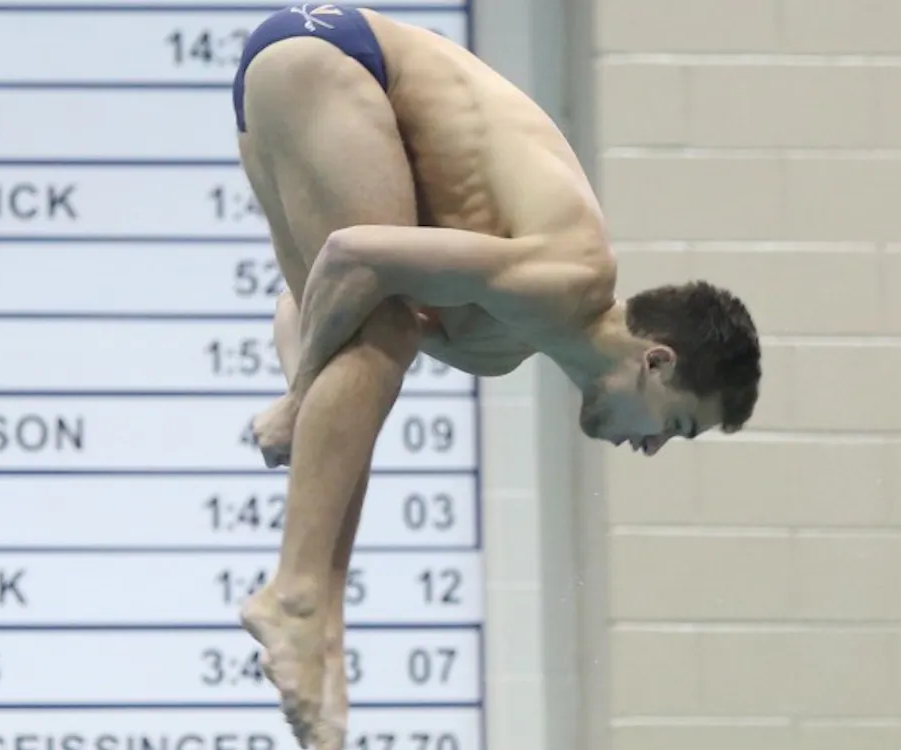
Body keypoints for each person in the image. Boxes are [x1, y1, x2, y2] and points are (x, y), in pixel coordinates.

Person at [231, 3, 762, 747]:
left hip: (284, 79)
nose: (651, 449)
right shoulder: (570, 272)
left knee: (372, 337)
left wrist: (307, 382)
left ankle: (319, 620)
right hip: (338, 56)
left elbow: (301, 304)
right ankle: (299, 596)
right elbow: (354, 257)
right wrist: (296, 398)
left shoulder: (497, 346)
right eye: (672, 425)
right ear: (657, 360)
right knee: (379, 324)